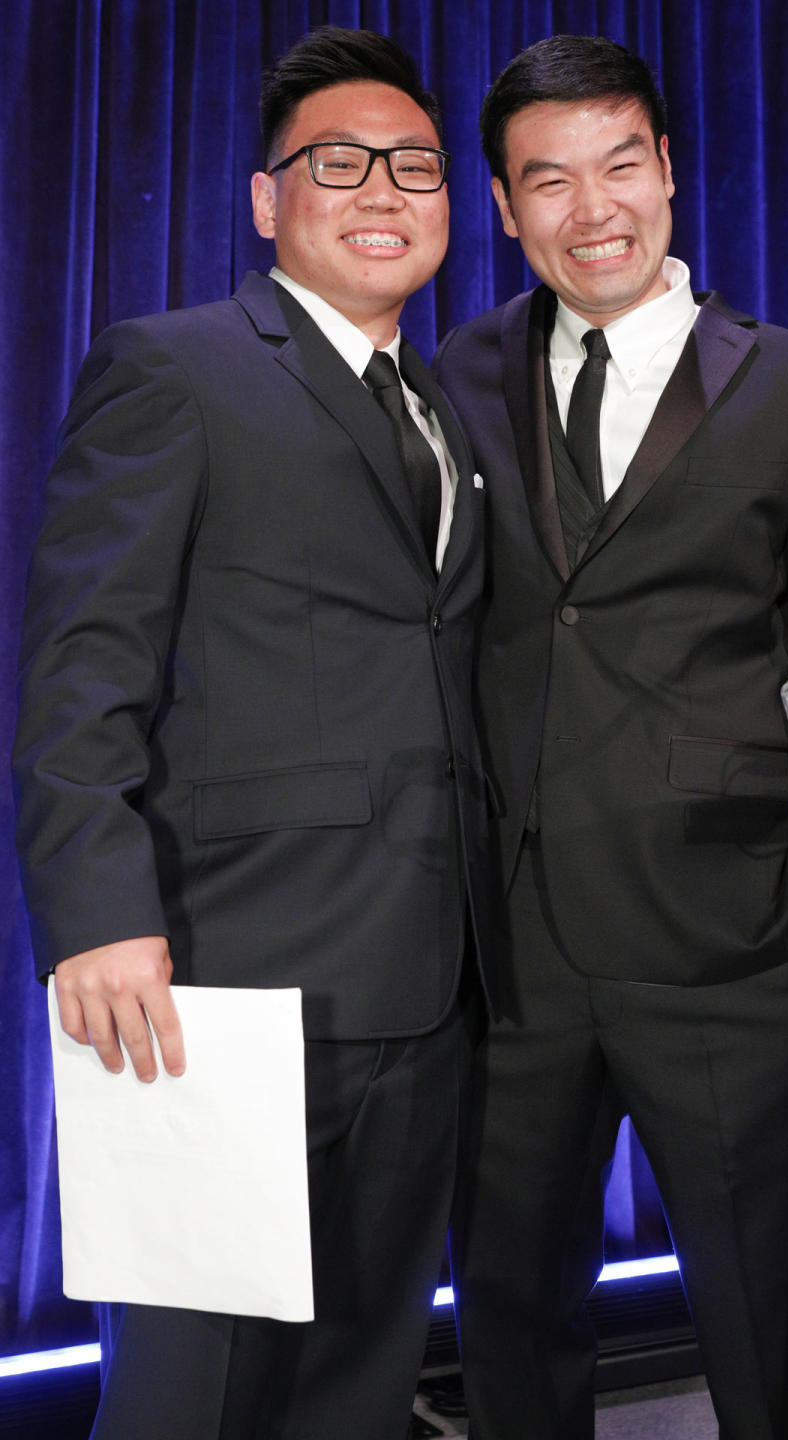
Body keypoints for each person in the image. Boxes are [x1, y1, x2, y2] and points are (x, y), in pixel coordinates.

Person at [14, 26, 489, 1440]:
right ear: (266, 200)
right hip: (217, 979)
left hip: (425, 978)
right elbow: (82, 661)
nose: (382, 189)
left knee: (356, 1378)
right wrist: (96, 911)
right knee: (192, 1398)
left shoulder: (448, 401)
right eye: (337, 164)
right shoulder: (176, 368)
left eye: (413, 164)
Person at [433, 33, 788, 1440]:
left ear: (671, 174)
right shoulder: (450, 376)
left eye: (621, 166)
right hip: (509, 955)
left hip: (736, 941)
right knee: (510, 1319)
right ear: (507, 210)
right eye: (550, 181)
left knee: (769, 1329)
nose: (596, 211)